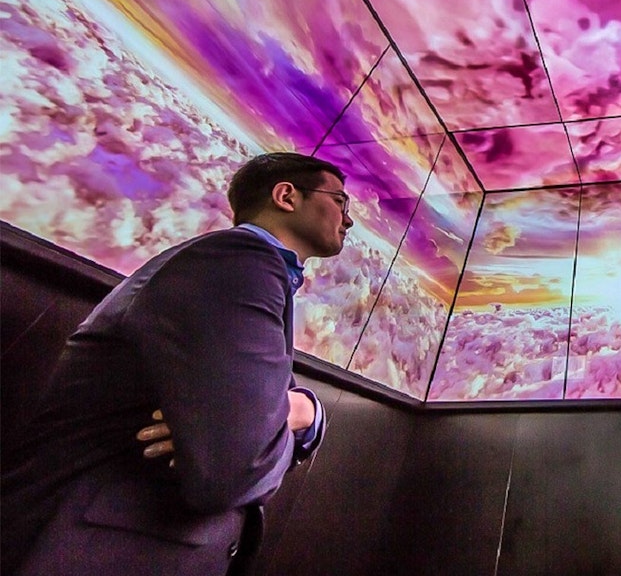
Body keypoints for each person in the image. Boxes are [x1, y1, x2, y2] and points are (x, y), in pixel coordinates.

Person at [1, 152, 355, 575]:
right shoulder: (238, 262)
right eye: (340, 201)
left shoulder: (239, 268)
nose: (348, 218)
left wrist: (298, 411)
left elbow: (249, 434)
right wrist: (290, 414)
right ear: (285, 196)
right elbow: (236, 467)